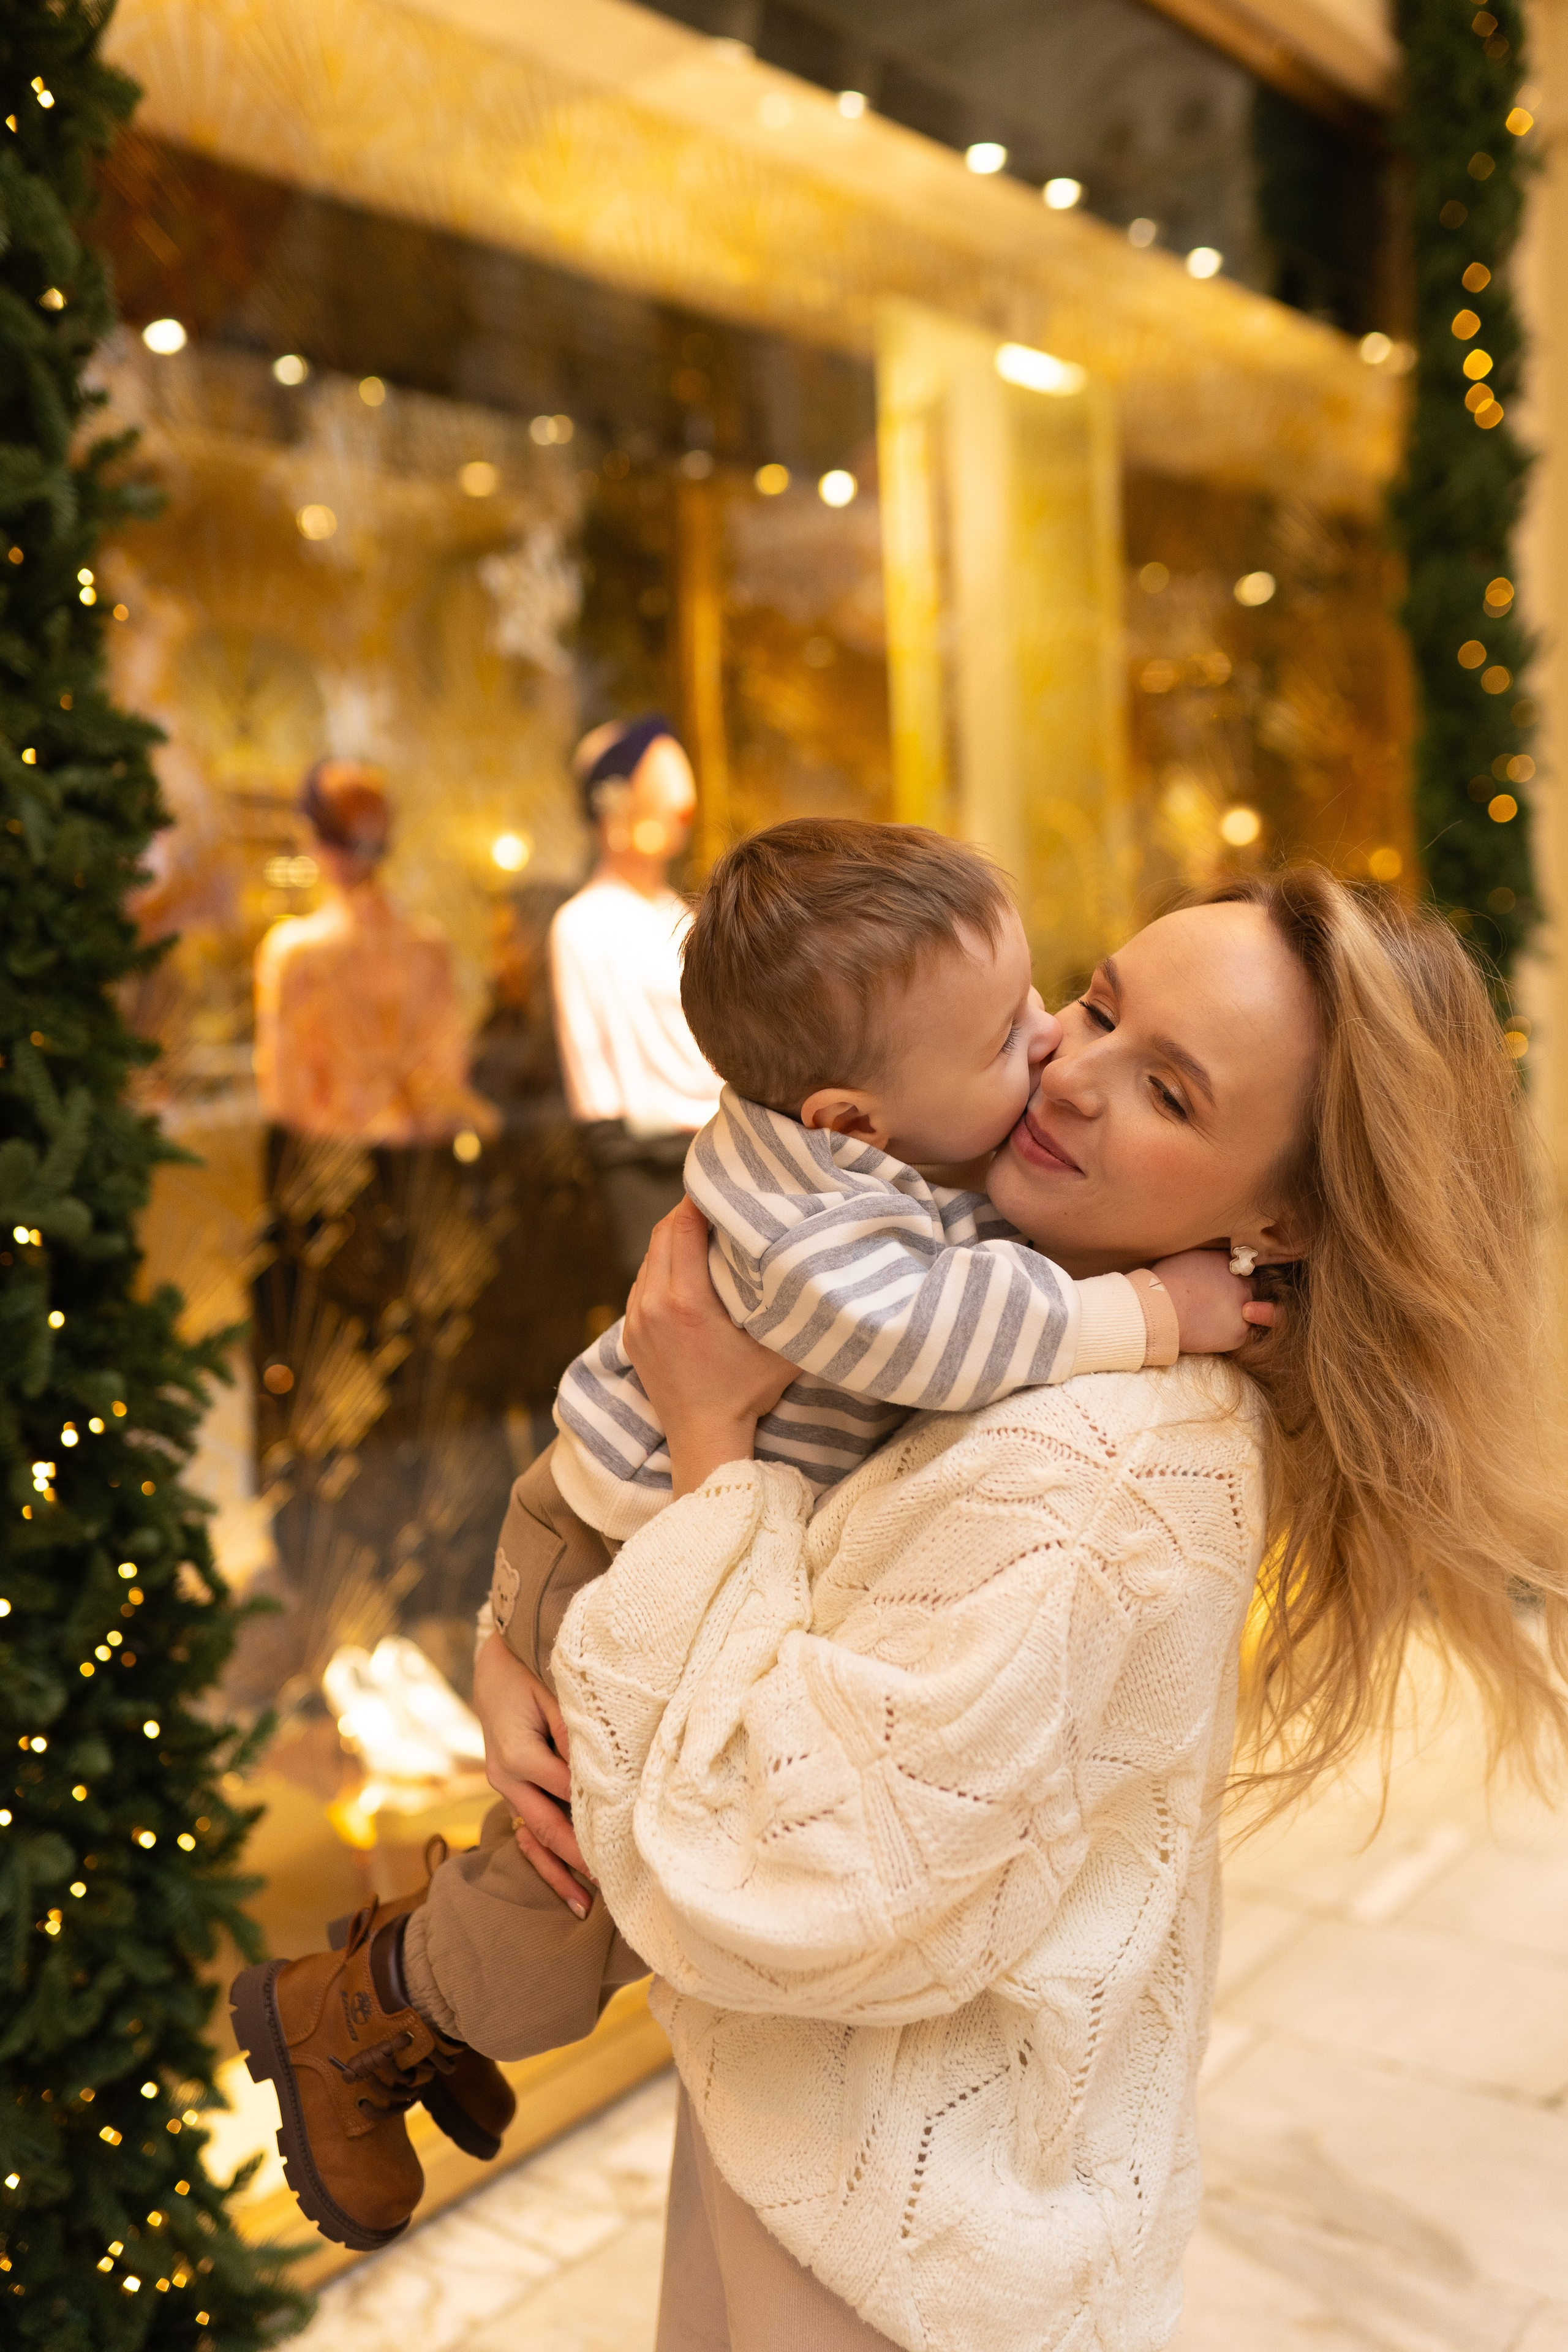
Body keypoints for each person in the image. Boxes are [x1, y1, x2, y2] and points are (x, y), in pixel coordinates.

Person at [230, 823, 1260, 2250]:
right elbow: (925, 1328)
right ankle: (352, 2015)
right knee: (566, 1912)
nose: (1045, 1055)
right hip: (612, 1540)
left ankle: (427, 1979)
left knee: (563, 1890)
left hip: (633, 1532)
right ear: (849, 1119)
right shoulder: (816, 1216)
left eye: (1051, 1010)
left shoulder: (890, 1163)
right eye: (1047, 1015)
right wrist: (1156, 1312)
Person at [549, 715, 723, 1290]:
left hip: (720, 1148)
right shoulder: (582, 924)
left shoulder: (685, 917)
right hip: (642, 1168)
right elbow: (591, 1069)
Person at [254, 758, 498, 1144]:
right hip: (415, 1165)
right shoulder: (429, 947)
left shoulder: (295, 953)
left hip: (334, 1170)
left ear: (315, 842)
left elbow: (285, 1100)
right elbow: (448, 1078)